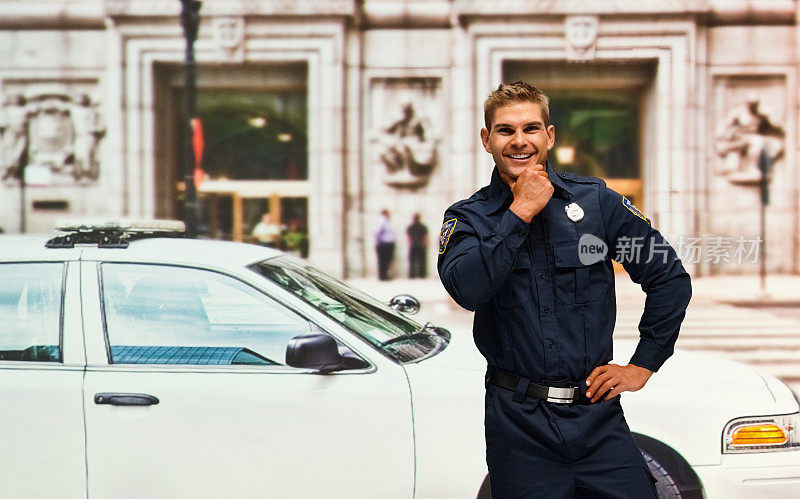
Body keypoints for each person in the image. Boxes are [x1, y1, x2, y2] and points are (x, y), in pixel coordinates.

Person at [437, 81, 691, 498]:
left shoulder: (597, 203)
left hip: (597, 419)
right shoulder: (469, 218)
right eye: (505, 130)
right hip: (518, 425)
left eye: (531, 128)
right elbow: (468, 291)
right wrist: (520, 211)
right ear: (487, 140)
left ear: (549, 136)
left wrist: (644, 363)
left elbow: (668, 276)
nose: (520, 141)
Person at [375, 209, 396, 280]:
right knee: (384, 260)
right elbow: (377, 232)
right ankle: (383, 276)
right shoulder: (382, 221)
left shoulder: (387, 222)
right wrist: (380, 241)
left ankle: (384, 275)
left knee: (386, 260)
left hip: (387, 244)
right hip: (384, 244)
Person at [406, 213, 428, 278]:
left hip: (419, 246)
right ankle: (413, 275)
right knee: (413, 262)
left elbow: (425, 237)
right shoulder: (411, 227)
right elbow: (409, 237)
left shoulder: (423, 227)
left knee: (421, 262)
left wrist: (425, 244)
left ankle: (421, 275)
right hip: (415, 246)